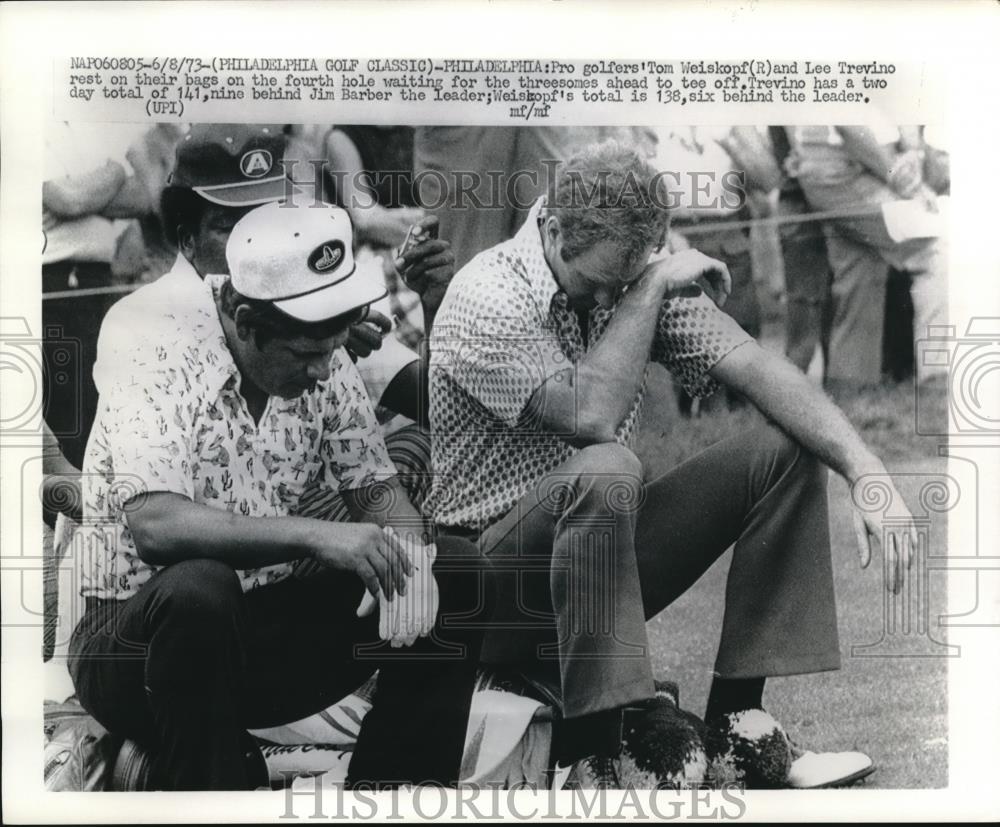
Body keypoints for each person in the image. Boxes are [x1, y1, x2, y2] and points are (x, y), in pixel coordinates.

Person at [426, 140, 918, 787]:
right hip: (488, 593)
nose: (608, 298)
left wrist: (864, 468)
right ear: (551, 231)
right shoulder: (485, 293)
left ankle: (741, 726)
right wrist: (652, 284)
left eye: (626, 282)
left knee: (786, 445)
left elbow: (758, 369)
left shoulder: (630, 269)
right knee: (608, 466)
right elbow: (591, 413)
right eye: (597, 283)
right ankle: (597, 746)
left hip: (596, 570)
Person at [69, 201, 491, 791]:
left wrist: (410, 556)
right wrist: (320, 536)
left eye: (331, 350)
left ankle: (393, 794)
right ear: (243, 320)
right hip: (134, 650)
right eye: (304, 356)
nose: (324, 370)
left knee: (457, 571)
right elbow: (154, 524)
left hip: (256, 640)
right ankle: (209, 792)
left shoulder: (321, 350)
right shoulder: (151, 336)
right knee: (199, 589)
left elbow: (375, 486)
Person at [787, 124, 947, 389]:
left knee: (860, 268)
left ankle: (852, 393)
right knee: (936, 248)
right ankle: (937, 379)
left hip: (836, 168)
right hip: (847, 168)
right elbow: (851, 126)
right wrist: (903, 180)